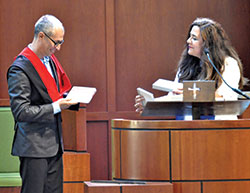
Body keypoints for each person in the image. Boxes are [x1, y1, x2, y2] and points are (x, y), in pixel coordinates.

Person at [7, 15, 78, 193]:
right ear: (41, 36)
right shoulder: (19, 68)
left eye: (61, 42)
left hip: (54, 145)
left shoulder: (50, 60)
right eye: (56, 42)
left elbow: (55, 94)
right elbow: (21, 112)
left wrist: (72, 99)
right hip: (33, 148)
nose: (59, 48)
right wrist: (57, 107)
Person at [135, 17, 247, 117]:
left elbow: (225, 96)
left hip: (218, 126)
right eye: (190, 37)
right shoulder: (186, 66)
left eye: (194, 38)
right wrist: (150, 104)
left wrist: (189, 93)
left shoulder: (228, 64)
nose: (188, 41)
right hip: (187, 129)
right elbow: (174, 97)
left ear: (208, 44)